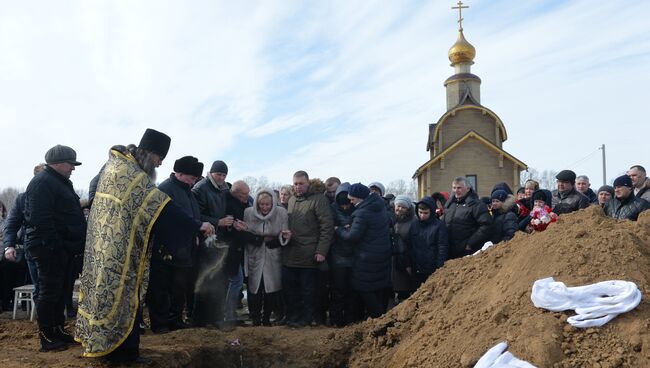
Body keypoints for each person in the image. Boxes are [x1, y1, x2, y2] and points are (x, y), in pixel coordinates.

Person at [75, 129, 215, 363]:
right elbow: (161, 208)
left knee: (113, 299)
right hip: (120, 251)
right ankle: (124, 354)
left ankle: (114, 349)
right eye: (159, 159)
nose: (159, 164)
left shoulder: (115, 167)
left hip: (106, 247)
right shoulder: (133, 175)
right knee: (125, 300)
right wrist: (195, 226)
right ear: (150, 154)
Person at [22, 145, 86, 352]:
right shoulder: (42, 183)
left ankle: (57, 329)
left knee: (61, 292)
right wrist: (57, 247)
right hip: (48, 248)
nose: (73, 169)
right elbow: (40, 220)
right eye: (71, 164)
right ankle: (47, 336)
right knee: (49, 293)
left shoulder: (59, 182)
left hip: (62, 248)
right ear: (58, 164)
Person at [147, 156, 203, 333]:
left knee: (179, 287)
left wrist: (195, 232)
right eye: (191, 178)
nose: (193, 182)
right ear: (179, 173)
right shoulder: (165, 189)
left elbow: (193, 216)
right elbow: (169, 219)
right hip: (167, 248)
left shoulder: (187, 190)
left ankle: (175, 319)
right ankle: (160, 323)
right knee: (162, 288)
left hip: (185, 248)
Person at [283, 171, 334, 327]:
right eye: (295, 184)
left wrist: (321, 251)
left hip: (310, 255)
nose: (298, 187)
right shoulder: (291, 200)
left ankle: (307, 318)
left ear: (308, 183)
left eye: (301, 183)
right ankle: (293, 317)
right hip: (291, 254)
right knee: (292, 290)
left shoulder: (319, 200)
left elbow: (327, 227)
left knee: (308, 290)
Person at [336, 183, 391, 318]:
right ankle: (380, 317)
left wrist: (339, 230)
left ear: (360, 198)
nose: (351, 202)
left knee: (364, 288)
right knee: (377, 288)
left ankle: (379, 320)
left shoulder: (362, 212)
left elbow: (352, 236)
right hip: (381, 254)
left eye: (353, 199)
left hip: (367, 257)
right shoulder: (379, 206)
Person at [191, 160, 233, 328]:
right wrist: (218, 222)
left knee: (218, 280)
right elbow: (196, 215)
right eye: (219, 174)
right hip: (205, 241)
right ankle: (199, 320)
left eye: (224, 175)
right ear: (211, 173)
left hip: (218, 242)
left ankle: (214, 318)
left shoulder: (224, 190)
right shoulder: (201, 188)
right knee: (204, 280)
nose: (221, 178)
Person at [242, 189, 291, 326]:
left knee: (271, 289)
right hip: (254, 254)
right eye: (261, 204)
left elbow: (284, 233)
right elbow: (246, 234)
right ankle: (256, 318)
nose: (264, 207)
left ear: (273, 204)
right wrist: (260, 238)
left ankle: (266, 318)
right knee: (255, 288)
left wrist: (281, 238)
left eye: (268, 204)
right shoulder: (248, 213)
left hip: (273, 256)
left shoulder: (281, 213)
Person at [222, 180, 252, 327]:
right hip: (229, 249)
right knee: (236, 281)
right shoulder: (227, 202)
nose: (248, 196)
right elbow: (226, 223)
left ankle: (230, 314)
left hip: (240, 248)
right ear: (235, 193)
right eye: (245, 194)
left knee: (236, 282)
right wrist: (233, 225)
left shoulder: (245, 202)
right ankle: (228, 315)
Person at [328, 182, 358, 327]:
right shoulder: (332, 209)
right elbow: (329, 228)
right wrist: (342, 229)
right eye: (343, 205)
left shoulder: (357, 209)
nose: (345, 207)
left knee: (352, 290)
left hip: (354, 255)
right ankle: (336, 320)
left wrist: (341, 229)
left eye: (348, 204)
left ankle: (350, 320)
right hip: (337, 254)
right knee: (338, 289)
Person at [442, 177, 492, 259]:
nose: (456, 190)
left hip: (468, 251)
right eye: (454, 188)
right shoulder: (449, 204)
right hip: (450, 251)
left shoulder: (476, 205)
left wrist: (470, 243)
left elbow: (486, 225)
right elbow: (443, 223)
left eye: (459, 188)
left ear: (468, 189)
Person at [406, 197, 448, 288]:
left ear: (432, 211)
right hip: (416, 267)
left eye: (425, 213)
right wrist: (408, 264)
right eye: (420, 212)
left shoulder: (439, 226)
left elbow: (442, 248)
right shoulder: (414, 224)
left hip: (431, 268)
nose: (422, 215)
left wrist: (439, 267)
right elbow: (409, 245)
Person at [391, 194, 416, 303]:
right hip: (391, 261)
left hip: (405, 261)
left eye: (403, 207)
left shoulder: (413, 222)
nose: (400, 209)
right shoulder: (390, 219)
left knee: (403, 290)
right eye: (398, 206)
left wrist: (408, 263)